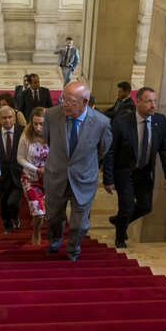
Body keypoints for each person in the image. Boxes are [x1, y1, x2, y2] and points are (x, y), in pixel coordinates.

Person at [43, 80, 112, 261]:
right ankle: (55, 241)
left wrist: (83, 163)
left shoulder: (101, 122)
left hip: (83, 179)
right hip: (56, 176)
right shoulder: (51, 115)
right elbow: (49, 141)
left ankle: (73, 250)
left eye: (71, 101)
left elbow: (103, 149)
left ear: (85, 102)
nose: (65, 103)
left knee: (79, 224)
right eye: (63, 99)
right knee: (53, 218)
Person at [103, 87, 166, 249]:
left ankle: (119, 220)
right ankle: (120, 237)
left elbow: (165, 149)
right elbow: (110, 152)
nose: (153, 105)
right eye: (149, 101)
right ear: (138, 102)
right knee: (127, 208)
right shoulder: (122, 122)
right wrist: (108, 179)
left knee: (145, 206)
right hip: (125, 173)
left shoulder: (160, 121)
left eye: (155, 101)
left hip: (144, 173)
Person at [17, 107, 49, 245]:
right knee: (39, 212)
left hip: (49, 179)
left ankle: (36, 220)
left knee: (44, 211)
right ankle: (36, 234)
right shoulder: (26, 136)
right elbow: (20, 158)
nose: (38, 127)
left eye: (41, 124)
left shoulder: (54, 135)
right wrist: (36, 169)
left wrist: (47, 169)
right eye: (35, 123)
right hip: (30, 178)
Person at [0, 106, 25, 234]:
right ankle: (7, 225)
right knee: (4, 203)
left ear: (14, 118)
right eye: (4, 118)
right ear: (0, 119)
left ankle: (15, 217)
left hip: (18, 174)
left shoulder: (23, 131)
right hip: (2, 175)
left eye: (10, 117)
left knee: (13, 202)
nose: (7, 120)